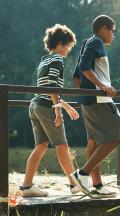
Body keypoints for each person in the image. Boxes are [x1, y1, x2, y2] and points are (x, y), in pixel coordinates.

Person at [20, 24, 79, 197]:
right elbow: (53, 86)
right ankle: (74, 184)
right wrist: (58, 111)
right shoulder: (58, 60)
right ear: (61, 44)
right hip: (47, 107)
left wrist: (66, 107)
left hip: (36, 105)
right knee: (62, 145)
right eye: (68, 46)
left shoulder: (44, 60)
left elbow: (47, 89)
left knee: (41, 146)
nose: (68, 50)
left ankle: (27, 187)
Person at [72, 15, 120, 197]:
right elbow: (84, 67)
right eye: (113, 31)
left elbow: (76, 75)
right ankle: (83, 174)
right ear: (104, 28)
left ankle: (97, 185)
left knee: (93, 141)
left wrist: (83, 96)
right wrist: (102, 86)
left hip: (88, 100)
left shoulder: (88, 43)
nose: (113, 35)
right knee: (116, 135)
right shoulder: (97, 42)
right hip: (99, 99)